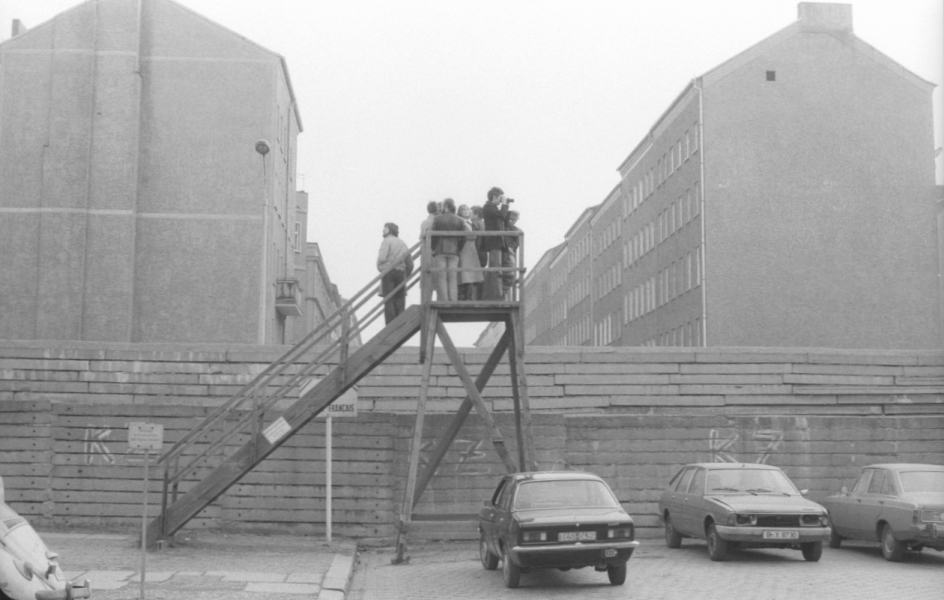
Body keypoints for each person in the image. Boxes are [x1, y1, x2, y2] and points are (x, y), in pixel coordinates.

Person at [430, 198, 465, 301]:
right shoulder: (460, 220)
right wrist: (459, 247)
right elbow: (464, 237)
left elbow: (433, 236)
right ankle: (453, 300)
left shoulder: (437, 219)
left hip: (440, 250)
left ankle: (444, 300)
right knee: (452, 277)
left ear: (445, 206)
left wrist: (433, 248)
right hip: (454, 251)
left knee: (442, 277)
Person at [377, 222, 411, 324]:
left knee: (389, 300)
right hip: (401, 273)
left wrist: (380, 266)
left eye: (385, 228)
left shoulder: (386, 241)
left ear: (390, 230)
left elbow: (382, 258)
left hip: (389, 273)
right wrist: (405, 275)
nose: (383, 230)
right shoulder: (403, 243)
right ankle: (400, 324)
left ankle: (390, 325)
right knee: (400, 300)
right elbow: (410, 263)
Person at [481, 187, 510, 300]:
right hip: (494, 242)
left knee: (497, 268)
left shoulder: (494, 209)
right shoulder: (488, 207)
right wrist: (504, 205)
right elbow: (501, 215)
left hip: (497, 242)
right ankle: (496, 296)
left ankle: (494, 294)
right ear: (494, 197)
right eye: (499, 198)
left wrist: (506, 206)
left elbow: (504, 220)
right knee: (496, 269)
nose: (500, 201)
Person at [457, 204, 484, 301]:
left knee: (470, 274)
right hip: (464, 248)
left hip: (471, 249)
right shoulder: (460, 221)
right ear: (459, 212)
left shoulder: (469, 222)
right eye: (463, 210)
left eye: (467, 209)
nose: (466, 211)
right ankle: (462, 297)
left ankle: (469, 297)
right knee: (464, 274)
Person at [502, 210, 520, 299]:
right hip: (506, 253)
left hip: (509, 253)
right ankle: (503, 294)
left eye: (515, 220)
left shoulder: (514, 229)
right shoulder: (505, 228)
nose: (513, 222)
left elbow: (518, 242)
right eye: (511, 219)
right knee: (509, 275)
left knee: (508, 275)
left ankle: (503, 294)